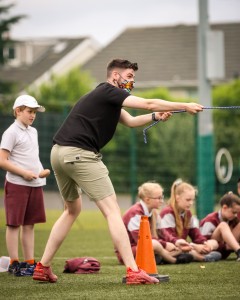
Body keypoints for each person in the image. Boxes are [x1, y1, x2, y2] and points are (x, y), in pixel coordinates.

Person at [32, 58, 203, 285]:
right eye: (129, 77)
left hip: (59, 153)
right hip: (80, 154)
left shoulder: (105, 99)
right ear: (115, 76)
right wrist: (184, 105)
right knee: (112, 210)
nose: (132, 82)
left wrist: (156, 117)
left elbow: (131, 121)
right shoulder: (108, 92)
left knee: (72, 209)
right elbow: (149, 103)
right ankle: (133, 271)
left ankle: (42, 267)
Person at [0, 95, 48, 276]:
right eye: (29, 111)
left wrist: (40, 171)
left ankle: (29, 262)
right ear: (18, 111)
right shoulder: (11, 132)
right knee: (14, 225)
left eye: (35, 112)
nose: (33, 115)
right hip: (17, 184)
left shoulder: (33, 131)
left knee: (30, 224)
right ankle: (14, 263)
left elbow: (31, 158)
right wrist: (24, 173)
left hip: (35, 184)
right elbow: (2, 161)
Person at [115, 181, 194, 265]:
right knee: (154, 244)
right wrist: (165, 245)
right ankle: (172, 260)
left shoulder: (154, 212)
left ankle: (160, 258)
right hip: (129, 252)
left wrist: (175, 242)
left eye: (162, 197)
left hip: (146, 248)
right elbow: (141, 240)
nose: (162, 201)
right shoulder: (135, 213)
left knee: (175, 247)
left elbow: (163, 233)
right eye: (159, 198)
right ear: (147, 199)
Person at [160, 179, 221, 262]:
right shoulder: (167, 212)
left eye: (193, 200)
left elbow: (196, 234)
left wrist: (204, 244)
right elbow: (169, 239)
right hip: (172, 247)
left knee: (214, 243)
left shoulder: (188, 213)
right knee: (185, 250)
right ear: (177, 198)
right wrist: (194, 246)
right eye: (188, 200)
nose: (191, 203)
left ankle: (195, 255)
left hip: (185, 247)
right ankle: (203, 258)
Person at [200, 192, 240, 261]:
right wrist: (225, 247)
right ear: (224, 208)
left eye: (237, 213)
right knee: (223, 225)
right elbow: (202, 243)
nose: (236, 215)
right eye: (234, 212)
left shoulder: (233, 219)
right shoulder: (210, 220)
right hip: (213, 251)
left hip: (226, 249)